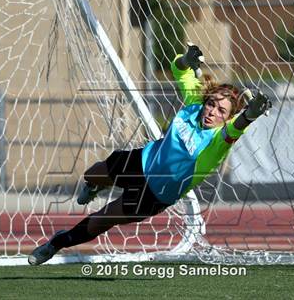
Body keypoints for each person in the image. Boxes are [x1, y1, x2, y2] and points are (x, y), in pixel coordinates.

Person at [28, 43, 271, 265]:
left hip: (155, 196)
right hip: (141, 161)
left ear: (227, 118)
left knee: (104, 218)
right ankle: (94, 187)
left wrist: (251, 115)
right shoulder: (194, 104)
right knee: (92, 174)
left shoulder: (219, 140)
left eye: (221, 111)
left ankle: (55, 244)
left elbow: (238, 127)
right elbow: (180, 70)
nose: (212, 112)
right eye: (211, 104)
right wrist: (186, 59)